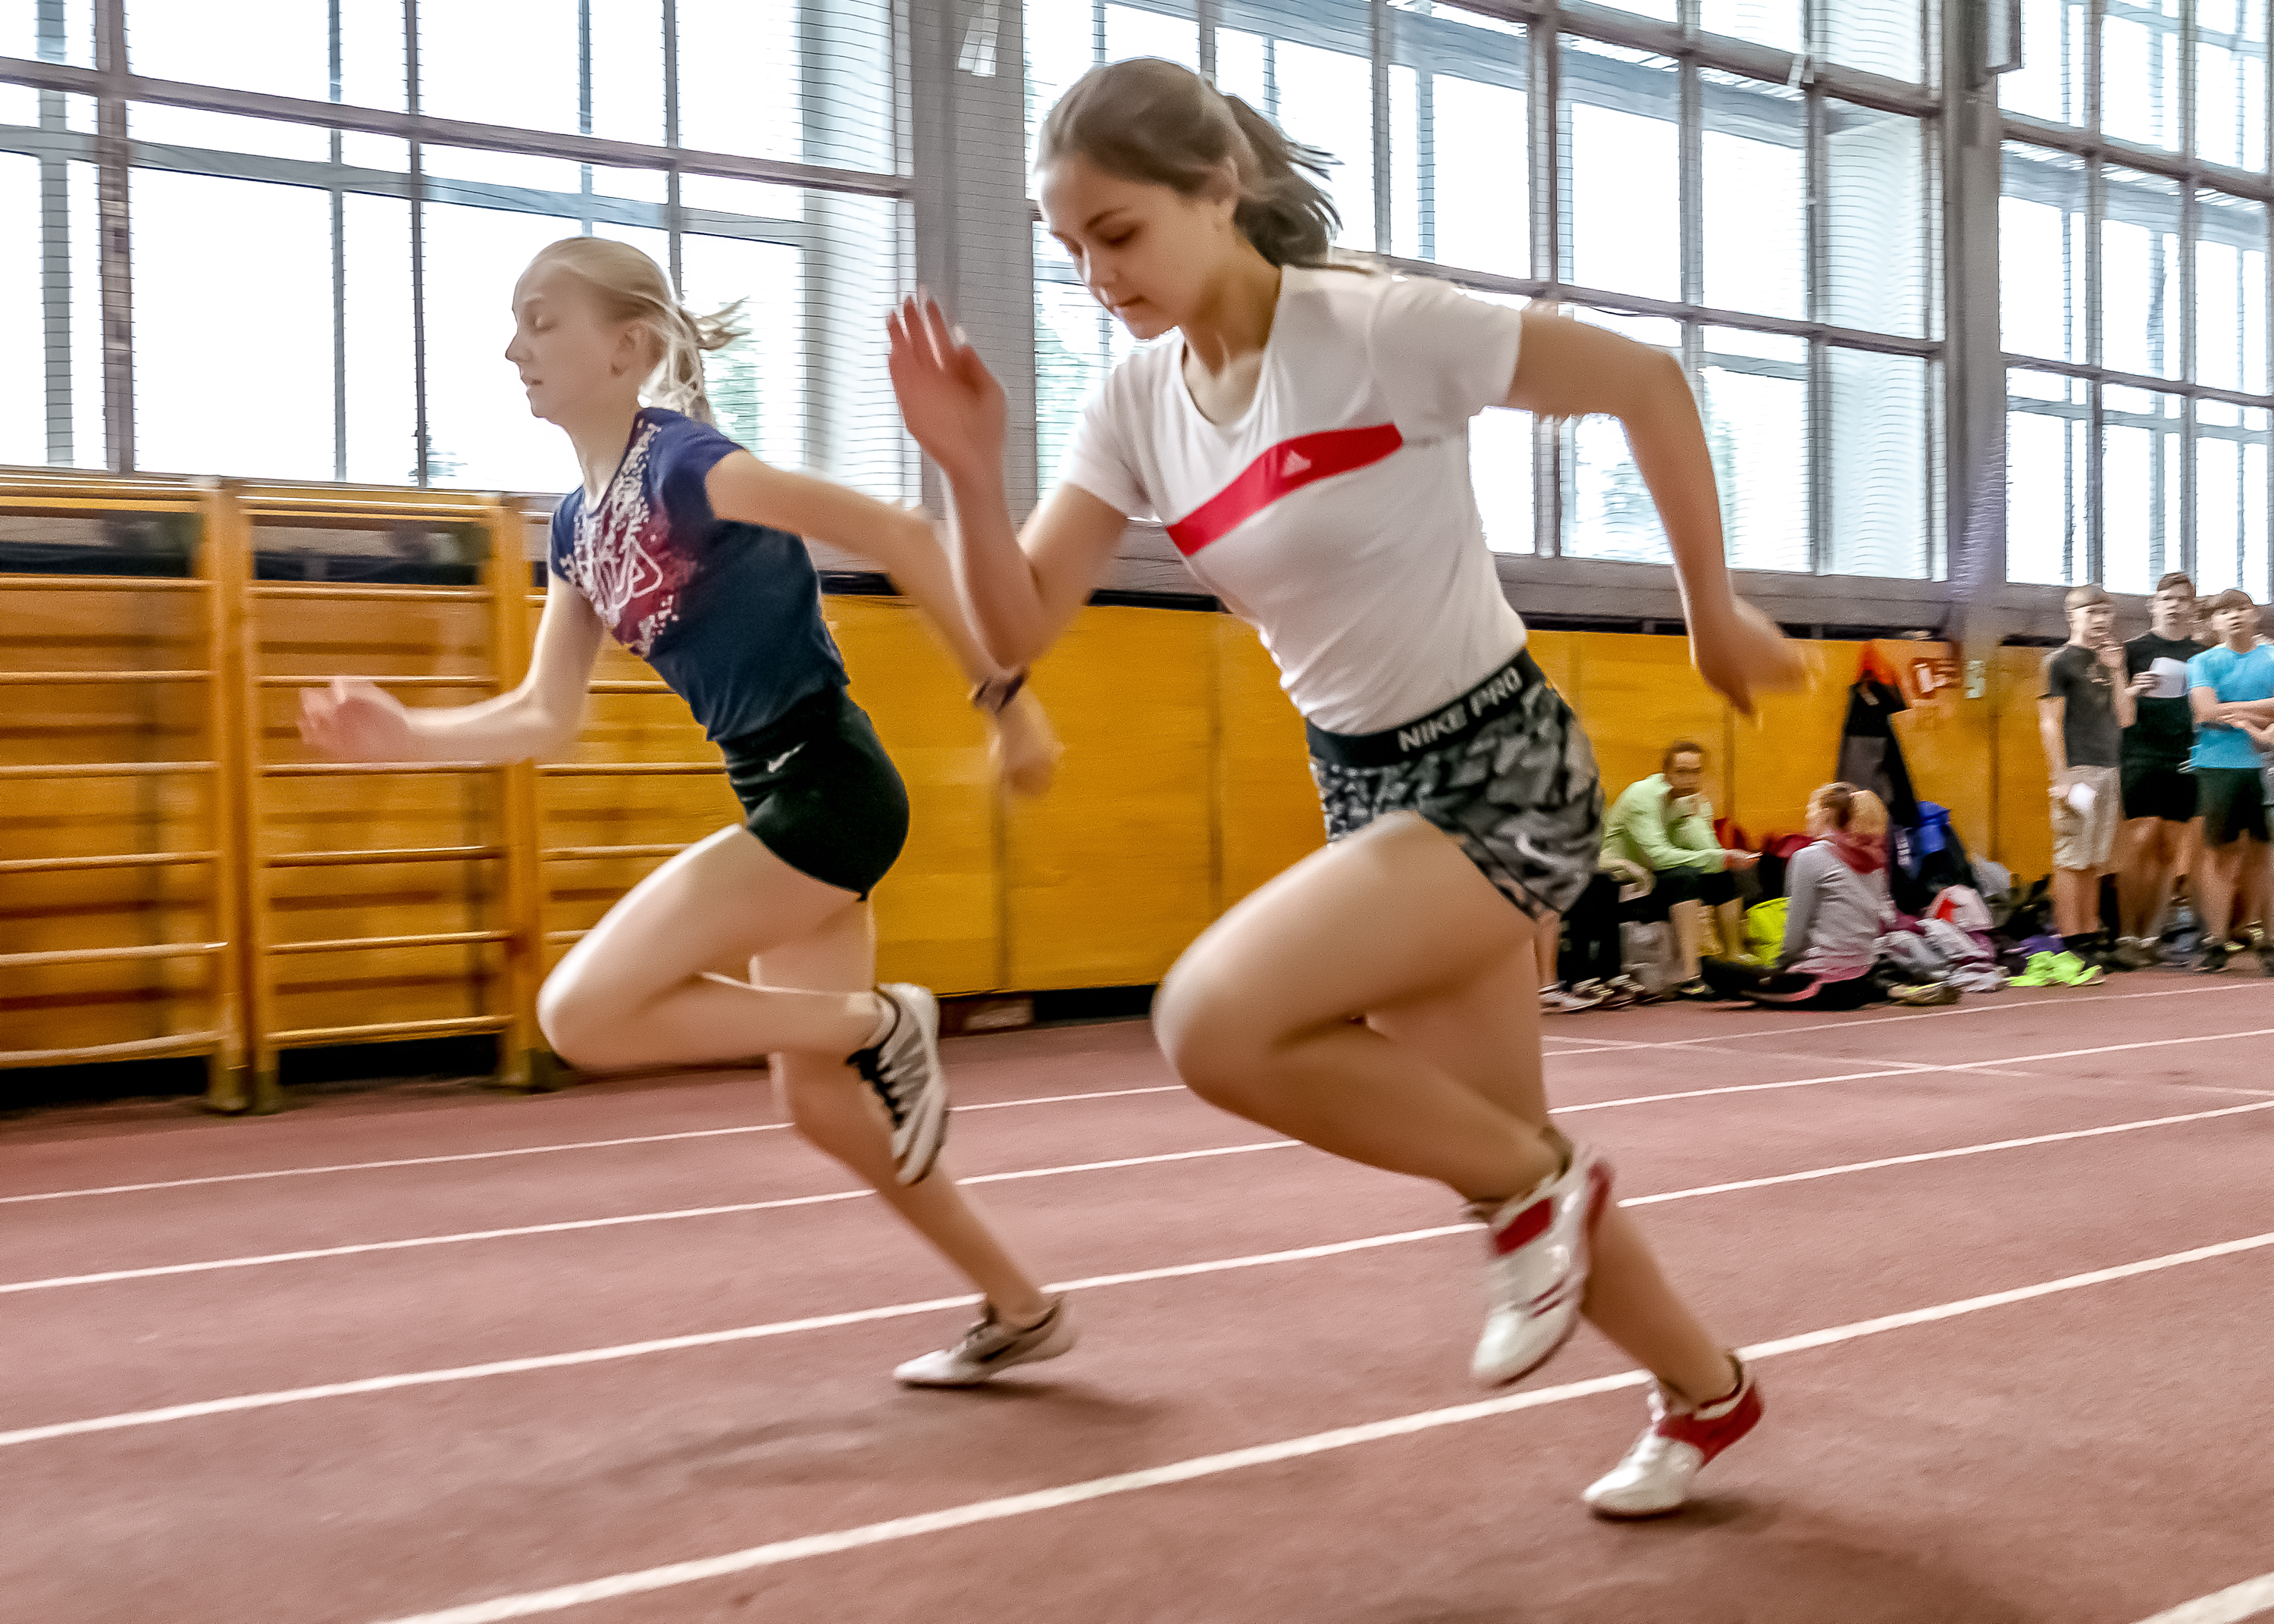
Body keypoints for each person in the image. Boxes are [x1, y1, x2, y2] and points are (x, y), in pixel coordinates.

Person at [888, 57, 1798, 1516]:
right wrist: (971, 472)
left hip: (1502, 763)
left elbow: (1643, 379)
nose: (1095, 272)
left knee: (1213, 1019)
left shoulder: (1379, 328)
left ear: (1216, 190)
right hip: (1367, 784)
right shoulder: (1133, 401)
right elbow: (1016, 628)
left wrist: (1710, 608)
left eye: (1117, 232)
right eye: (1070, 249)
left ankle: (1549, 1218)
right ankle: (1710, 1391)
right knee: (1506, 1158)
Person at [298, 237, 1076, 1388]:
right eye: (514, 325)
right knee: (816, 1102)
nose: (514, 347)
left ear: (627, 346)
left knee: (583, 1010)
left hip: (829, 785)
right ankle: (1021, 1303)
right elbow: (540, 714)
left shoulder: (690, 467)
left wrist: (1009, 709)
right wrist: (408, 736)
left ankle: (882, 1022)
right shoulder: (576, 529)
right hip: (777, 787)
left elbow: (900, 534)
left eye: (541, 320)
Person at [1698, 784, 1893, 1010]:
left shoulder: (1809, 857)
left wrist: (1779, 970)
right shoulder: (1875, 860)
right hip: (1862, 980)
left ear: (1826, 813)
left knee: (1711, 969)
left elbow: (1794, 937)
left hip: (1821, 986)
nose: (1807, 814)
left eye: (1811, 808)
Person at [1600, 741, 1760, 994]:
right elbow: (1660, 857)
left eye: (1695, 772)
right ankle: (1690, 975)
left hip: (1655, 878)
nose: (1689, 780)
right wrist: (1724, 853)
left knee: (1722, 875)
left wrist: (1693, 819)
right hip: (1623, 883)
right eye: (1681, 772)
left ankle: (1734, 957)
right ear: (1666, 774)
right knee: (1684, 877)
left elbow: (1712, 859)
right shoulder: (1642, 797)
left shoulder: (1693, 801)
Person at [2037, 584, 2131, 977]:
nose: (2100, 620)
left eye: (2105, 613)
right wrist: (2060, 775)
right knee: (2071, 858)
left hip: (2110, 768)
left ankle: (2090, 938)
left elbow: (2126, 718)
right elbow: (2048, 721)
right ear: (2072, 616)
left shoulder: (2111, 660)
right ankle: (2070, 941)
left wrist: (2118, 669)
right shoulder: (2058, 662)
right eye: (2091, 612)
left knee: (2095, 860)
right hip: (2078, 773)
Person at [2115, 571, 2201, 966]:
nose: (2174, 604)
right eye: (2166, 598)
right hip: (2139, 755)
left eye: (2182, 598)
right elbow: (2110, 710)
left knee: (2170, 850)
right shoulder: (2130, 651)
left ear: (2192, 606)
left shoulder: (2202, 654)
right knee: (2139, 842)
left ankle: (2152, 935)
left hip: (2185, 756)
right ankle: (2127, 933)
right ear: (2153, 605)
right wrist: (2130, 686)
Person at [2186, 588, 2274, 975]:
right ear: (2214, 622)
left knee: (2264, 858)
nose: (2234, 616)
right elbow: (2204, 710)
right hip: (2218, 767)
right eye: (2224, 612)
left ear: (2255, 615)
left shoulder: (2271, 657)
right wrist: (2259, 714)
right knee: (2219, 857)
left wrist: (2233, 711)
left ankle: (2269, 943)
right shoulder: (2202, 661)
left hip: (2264, 768)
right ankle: (2216, 943)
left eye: (2241, 609)